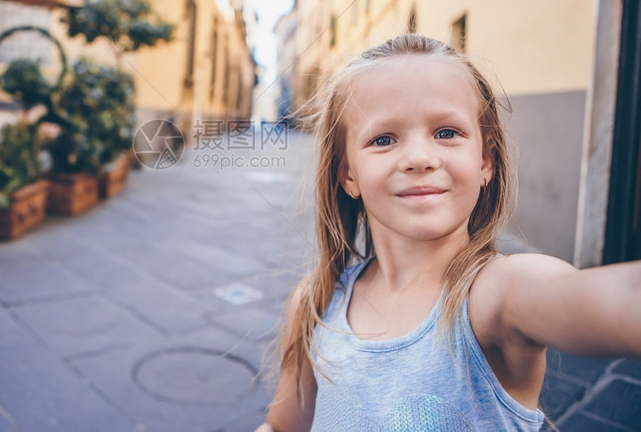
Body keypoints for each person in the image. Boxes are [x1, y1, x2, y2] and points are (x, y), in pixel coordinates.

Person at [255, 34, 641, 431]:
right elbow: (284, 426)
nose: (420, 158)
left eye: (446, 133)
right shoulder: (315, 302)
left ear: (485, 161)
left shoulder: (497, 296)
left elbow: (607, 297)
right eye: (383, 139)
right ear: (348, 174)